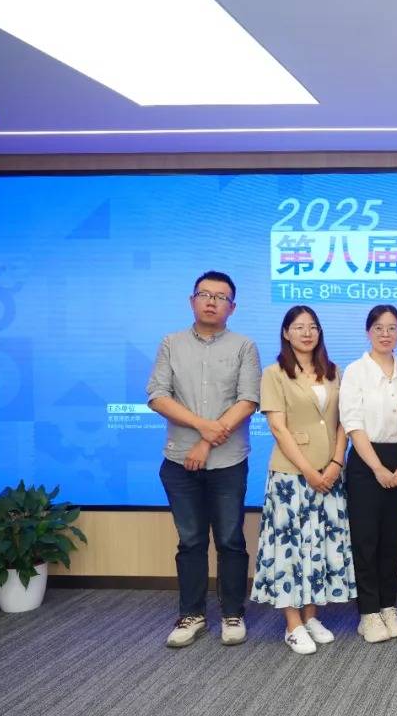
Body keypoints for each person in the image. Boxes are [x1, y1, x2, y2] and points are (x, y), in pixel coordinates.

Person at [146, 270, 261, 648]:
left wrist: (207, 444)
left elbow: (248, 400)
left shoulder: (244, 346)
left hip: (228, 462)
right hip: (179, 462)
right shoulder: (171, 343)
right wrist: (203, 429)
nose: (212, 301)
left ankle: (233, 613)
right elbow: (157, 396)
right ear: (192, 300)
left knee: (230, 540)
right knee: (191, 541)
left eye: (221, 297)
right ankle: (192, 615)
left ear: (233, 307)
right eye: (205, 294)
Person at [250, 306, 356, 654]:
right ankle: (292, 624)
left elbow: (343, 422)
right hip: (291, 476)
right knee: (290, 548)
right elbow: (278, 428)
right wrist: (310, 471)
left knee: (319, 546)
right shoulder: (274, 374)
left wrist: (337, 462)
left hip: (330, 472)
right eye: (298, 327)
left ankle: (311, 617)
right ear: (286, 333)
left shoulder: (334, 372)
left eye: (312, 327)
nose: (307, 333)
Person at [339, 305, 397, 643]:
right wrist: (378, 468)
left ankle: (388, 606)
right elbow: (353, 424)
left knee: (390, 540)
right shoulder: (355, 371)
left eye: (392, 328)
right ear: (368, 331)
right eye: (379, 328)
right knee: (366, 539)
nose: (386, 334)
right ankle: (368, 613)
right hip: (366, 460)